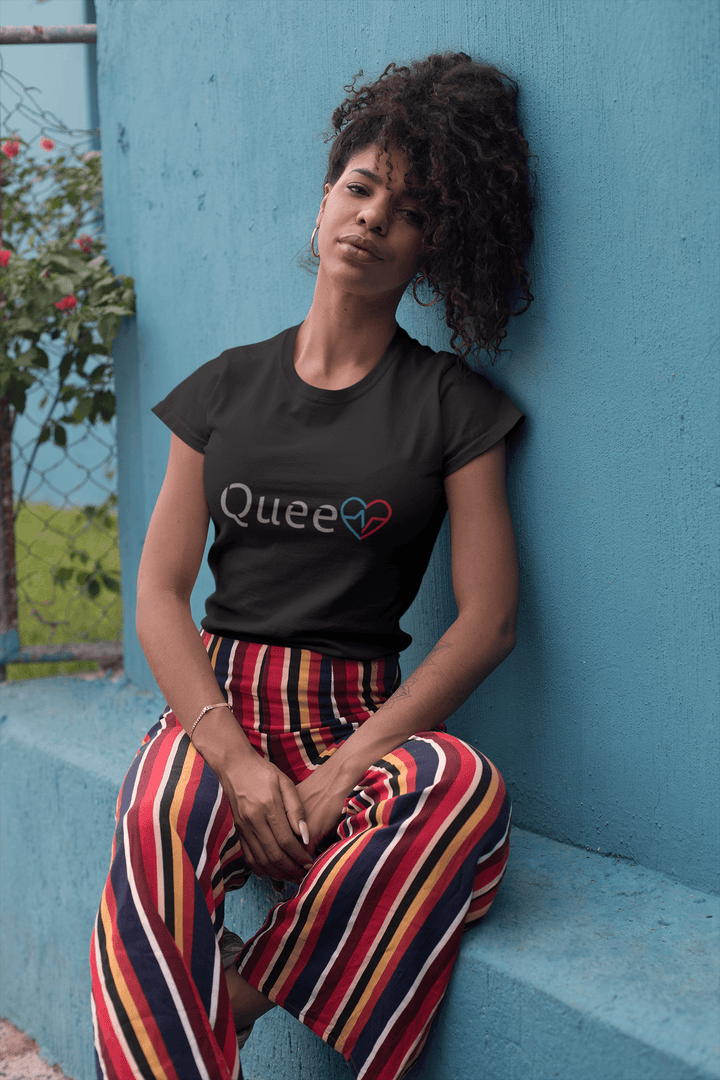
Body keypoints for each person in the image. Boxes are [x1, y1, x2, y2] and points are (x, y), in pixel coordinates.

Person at [90, 52, 534, 1080]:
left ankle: (250, 989)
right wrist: (238, 763)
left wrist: (342, 769)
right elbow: (158, 594)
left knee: (462, 790)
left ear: (430, 250)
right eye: (360, 187)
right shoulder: (221, 391)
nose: (374, 218)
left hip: (358, 717)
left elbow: (488, 621)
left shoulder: (454, 409)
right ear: (326, 199)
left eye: (409, 210)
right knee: (156, 817)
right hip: (219, 704)